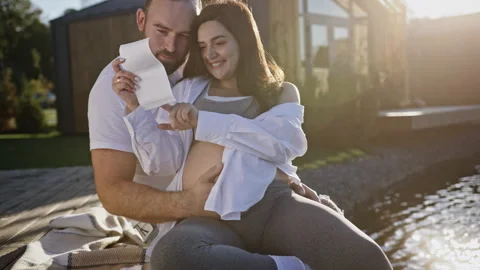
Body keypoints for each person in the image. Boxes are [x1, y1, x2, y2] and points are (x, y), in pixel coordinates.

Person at [112, 1, 393, 269]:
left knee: (369, 259)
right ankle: (292, 267)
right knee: (172, 256)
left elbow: (280, 144)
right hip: (211, 215)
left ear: (244, 40)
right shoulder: (190, 90)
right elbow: (161, 161)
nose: (210, 54)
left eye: (219, 42)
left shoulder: (279, 93)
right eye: (202, 46)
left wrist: (202, 121)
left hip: (273, 207)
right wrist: (135, 108)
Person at [88, 0, 322, 260]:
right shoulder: (116, 89)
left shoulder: (200, 71)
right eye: (162, 31)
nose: (171, 46)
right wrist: (188, 203)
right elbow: (114, 189)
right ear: (141, 21)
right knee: (176, 255)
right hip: (185, 213)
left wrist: (285, 177)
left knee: (355, 252)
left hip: (265, 201)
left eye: (185, 35)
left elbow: (279, 142)